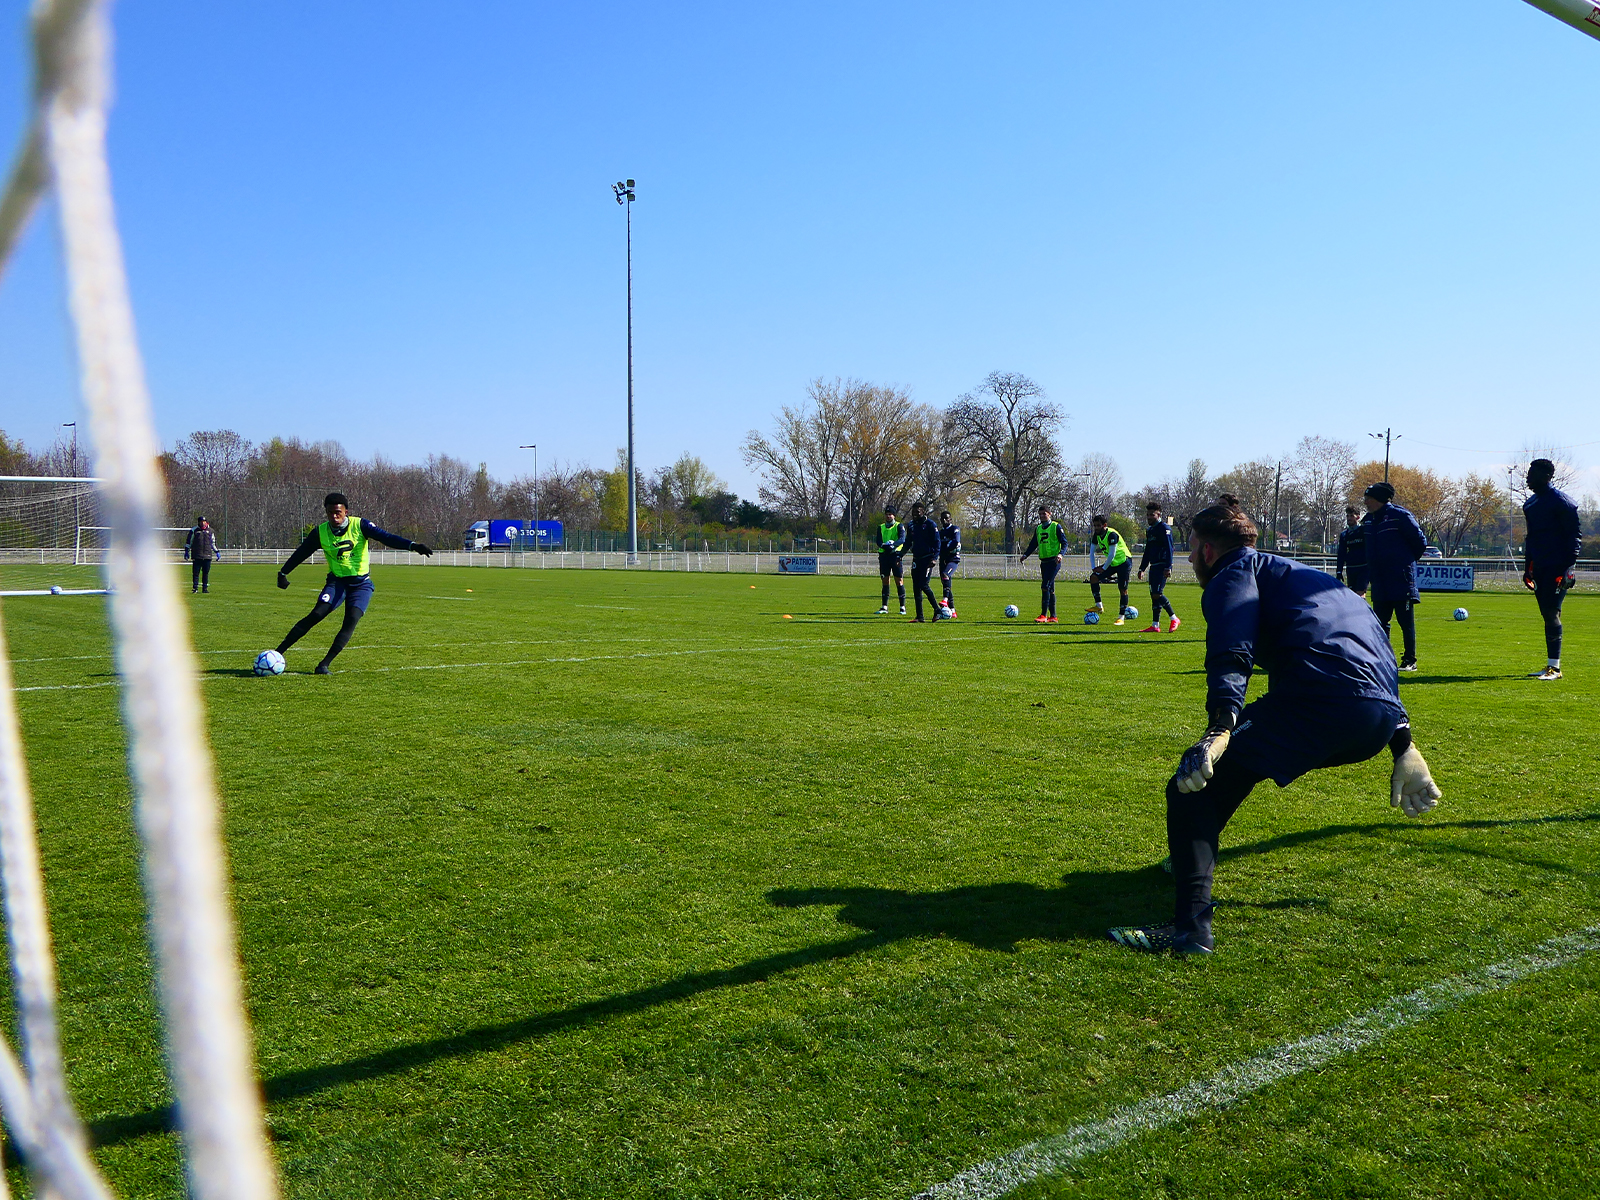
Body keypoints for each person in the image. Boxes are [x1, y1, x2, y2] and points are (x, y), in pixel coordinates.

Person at [1108, 500, 1442, 955]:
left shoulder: (1232, 573)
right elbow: (1371, 654)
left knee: (1190, 789)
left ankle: (1190, 933)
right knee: (1236, 769)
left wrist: (1219, 726)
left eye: (1190, 551)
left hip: (1321, 703)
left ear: (1207, 551)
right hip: (1376, 718)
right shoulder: (1312, 578)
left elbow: (1233, 647)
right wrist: (1404, 744)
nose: (1188, 560)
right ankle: (1187, 858)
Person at [273, 492, 434, 674]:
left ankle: (324, 664)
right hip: (337, 583)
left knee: (351, 619)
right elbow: (302, 552)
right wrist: (283, 572)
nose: (334, 516)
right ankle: (276, 654)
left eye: (338, 512)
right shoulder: (320, 532)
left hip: (361, 585)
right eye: (330, 513)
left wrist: (413, 546)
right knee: (317, 614)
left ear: (346, 512)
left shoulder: (360, 525)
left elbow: (386, 537)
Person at [1521, 458, 1581, 681]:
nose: (1528, 477)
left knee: (1552, 612)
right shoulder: (1530, 504)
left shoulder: (1562, 502)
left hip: (1558, 565)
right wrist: (1528, 567)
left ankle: (1555, 668)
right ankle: (1550, 665)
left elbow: (1574, 536)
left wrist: (1569, 567)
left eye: (1532, 473)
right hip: (1540, 566)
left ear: (1547, 476)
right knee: (1546, 613)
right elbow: (1532, 538)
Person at [1363, 481, 1426, 672]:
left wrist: (1404, 562)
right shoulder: (1368, 520)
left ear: (1380, 499)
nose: (1366, 502)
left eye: (1369, 498)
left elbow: (1420, 542)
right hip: (1379, 580)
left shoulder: (1400, 516)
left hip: (1401, 579)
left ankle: (1410, 661)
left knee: (1405, 622)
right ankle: (1383, 659)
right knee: (1379, 622)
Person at [1018, 504, 1067, 623]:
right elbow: (1034, 543)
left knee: (1045, 586)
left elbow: (1064, 543)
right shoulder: (1039, 528)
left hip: (1054, 561)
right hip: (1044, 562)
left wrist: (1060, 554)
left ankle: (1043, 615)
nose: (1041, 516)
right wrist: (1025, 555)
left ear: (1049, 514)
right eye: (1040, 514)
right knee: (1050, 589)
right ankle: (1053, 616)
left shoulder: (1056, 526)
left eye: (1044, 513)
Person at [1136, 502, 1180, 633]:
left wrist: (1168, 566)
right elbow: (1148, 550)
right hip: (1153, 566)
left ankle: (1174, 618)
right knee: (1153, 595)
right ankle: (1155, 625)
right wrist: (1142, 568)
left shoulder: (1164, 528)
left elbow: (1169, 548)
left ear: (1158, 514)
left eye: (1152, 514)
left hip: (1162, 566)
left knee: (1157, 593)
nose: (1149, 517)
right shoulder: (1150, 530)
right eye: (1148, 514)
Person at [1088, 515, 1133, 625]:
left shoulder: (1112, 534)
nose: (1096, 528)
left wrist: (1103, 568)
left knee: (1122, 589)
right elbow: (1091, 552)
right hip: (1112, 563)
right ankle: (1099, 606)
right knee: (1094, 577)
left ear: (1104, 525)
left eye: (1099, 526)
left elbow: (1112, 554)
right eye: (1095, 526)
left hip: (1124, 562)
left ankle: (1121, 617)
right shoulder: (1096, 535)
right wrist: (1094, 567)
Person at [904, 502, 944, 622]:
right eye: (913, 511)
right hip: (917, 559)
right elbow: (908, 543)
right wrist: (899, 555)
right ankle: (920, 616)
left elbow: (937, 543)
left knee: (923, 585)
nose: (915, 514)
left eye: (917, 512)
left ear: (923, 512)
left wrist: (934, 558)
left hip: (928, 559)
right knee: (916, 587)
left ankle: (937, 610)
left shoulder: (930, 525)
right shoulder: (911, 525)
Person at [875, 506, 906, 616]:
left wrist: (893, 544)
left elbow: (902, 539)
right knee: (885, 580)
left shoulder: (899, 526)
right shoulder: (881, 527)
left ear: (894, 515)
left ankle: (902, 607)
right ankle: (884, 606)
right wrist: (884, 545)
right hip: (884, 555)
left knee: (899, 580)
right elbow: (878, 541)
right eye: (887, 514)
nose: (888, 516)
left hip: (895, 555)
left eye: (890, 514)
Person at [1334, 505, 1369, 597]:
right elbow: (1341, 553)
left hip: (1363, 567)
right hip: (1351, 568)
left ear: (1357, 517)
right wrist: (1339, 571)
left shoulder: (1363, 531)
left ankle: (1363, 611)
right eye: (1347, 516)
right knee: (1352, 595)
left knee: (1360, 594)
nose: (1349, 518)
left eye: (1351, 516)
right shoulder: (1344, 535)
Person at [183, 517, 218, 594]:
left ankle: (205, 588)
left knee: (205, 573)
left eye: (204, 521)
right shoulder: (194, 530)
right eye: (201, 521)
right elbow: (189, 542)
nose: (202, 523)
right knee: (196, 573)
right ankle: (195, 588)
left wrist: (217, 552)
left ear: (206, 522)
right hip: (197, 555)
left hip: (207, 555)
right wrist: (186, 551)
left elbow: (213, 543)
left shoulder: (210, 531)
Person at [937, 509, 961, 618]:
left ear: (950, 519)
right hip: (943, 559)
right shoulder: (940, 532)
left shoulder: (954, 529)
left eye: (946, 518)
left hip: (953, 559)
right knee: (946, 584)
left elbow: (955, 542)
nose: (944, 520)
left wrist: (946, 548)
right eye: (942, 518)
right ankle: (953, 611)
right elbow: (938, 545)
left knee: (946, 575)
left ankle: (945, 600)